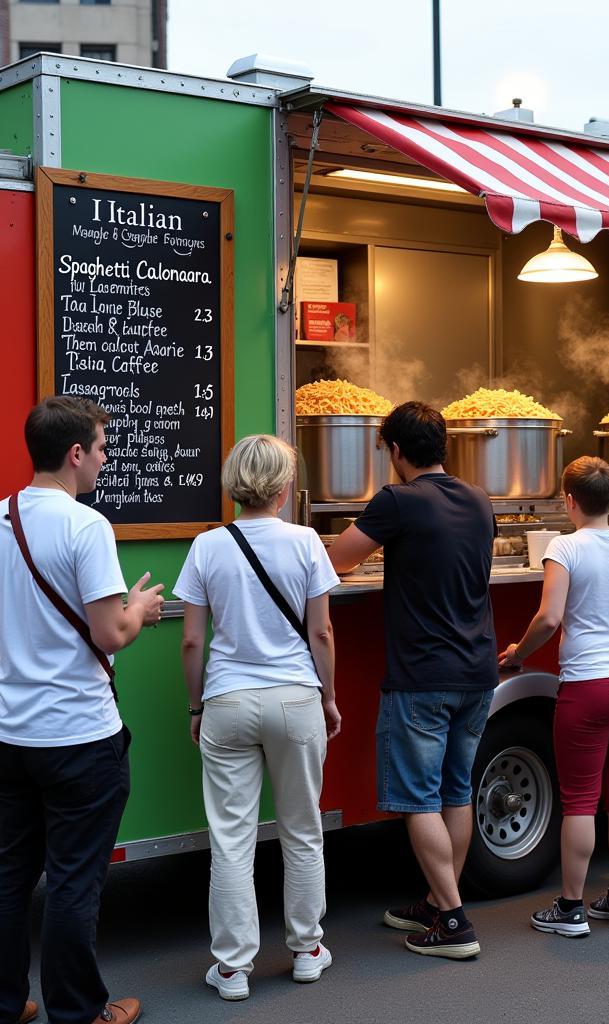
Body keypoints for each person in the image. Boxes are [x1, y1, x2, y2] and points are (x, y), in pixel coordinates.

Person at [0, 396, 164, 1024]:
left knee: (11, 876)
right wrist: (141, 611)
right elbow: (109, 632)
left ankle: (9, 999)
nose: (104, 457)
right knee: (73, 882)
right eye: (101, 447)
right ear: (75, 454)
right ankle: (80, 1012)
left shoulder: (4, 516)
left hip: (12, 734)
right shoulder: (84, 526)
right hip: (78, 736)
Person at [175, 435, 341, 1000]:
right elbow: (320, 632)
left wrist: (197, 705)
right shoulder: (305, 542)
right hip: (296, 700)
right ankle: (306, 950)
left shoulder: (207, 546)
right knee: (302, 831)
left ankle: (232, 967)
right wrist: (329, 698)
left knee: (231, 839)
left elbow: (192, 642)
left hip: (227, 701)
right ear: (282, 487)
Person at [328, 402, 496, 960]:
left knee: (419, 797)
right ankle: (435, 898)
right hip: (477, 671)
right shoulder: (479, 499)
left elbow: (338, 561)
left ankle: (453, 922)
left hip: (423, 674)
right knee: (455, 790)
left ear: (395, 451)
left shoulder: (396, 501)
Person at [500, 457, 609, 937]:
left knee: (580, 800)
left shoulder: (563, 547)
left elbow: (549, 619)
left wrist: (515, 653)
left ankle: (571, 908)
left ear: (568, 500)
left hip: (589, 684)